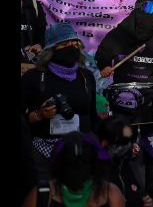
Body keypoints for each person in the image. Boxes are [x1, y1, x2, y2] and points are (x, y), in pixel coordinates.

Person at [95, 0, 153, 197]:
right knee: (122, 141)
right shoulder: (118, 35)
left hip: (151, 97)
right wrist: (104, 66)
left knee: (150, 140)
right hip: (123, 96)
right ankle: (119, 180)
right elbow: (102, 55)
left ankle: (151, 180)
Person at [22, 23, 99, 186]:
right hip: (44, 151)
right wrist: (39, 115)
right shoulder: (33, 77)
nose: (71, 47)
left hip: (80, 151)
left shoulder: (86, 77)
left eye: (74, 43)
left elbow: (93, 117)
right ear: (51, 49)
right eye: (64, 44)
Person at [29, 132, 126, 207]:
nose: (78, 168)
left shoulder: (111, 194)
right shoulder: (43, 193)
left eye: (84, 161)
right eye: (71, 162)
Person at [96, 116, 151, 207]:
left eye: (130, 142)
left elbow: (139, 196)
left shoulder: (126, 165)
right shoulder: (95, 177)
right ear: (104, 143)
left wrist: (142, 201)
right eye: (123, 142)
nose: (130, 147)